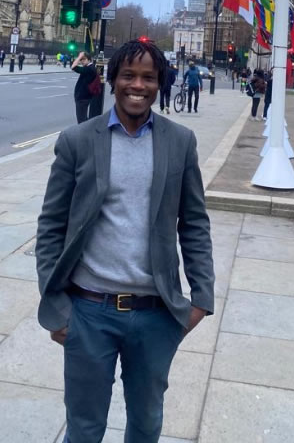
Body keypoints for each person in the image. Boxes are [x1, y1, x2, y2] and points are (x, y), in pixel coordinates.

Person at [36, 39, 214, 442]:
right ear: (112, 80)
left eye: (148, 77)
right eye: (128, 75)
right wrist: (56, 305)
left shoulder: (180, 141)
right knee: (84, 428)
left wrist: (202, 298)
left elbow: (194, 223)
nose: (138, 85)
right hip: (89, 311)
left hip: (155, 314)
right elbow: (51, 226)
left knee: (146, 424)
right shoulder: (78, 141)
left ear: (159, 83)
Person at [71, 51, 98, 124]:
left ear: (89, 60)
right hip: (83, 97)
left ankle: (86, 131)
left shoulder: (89, 69)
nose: (82, 61)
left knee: (81, 120)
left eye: (84, 59)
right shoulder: (89, 68)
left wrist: (79, 56)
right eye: (81, 60)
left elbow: (73, 67)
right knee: (83, 118)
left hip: (83, 98)